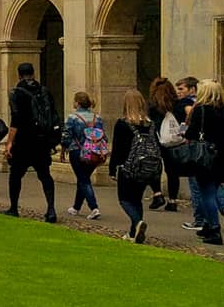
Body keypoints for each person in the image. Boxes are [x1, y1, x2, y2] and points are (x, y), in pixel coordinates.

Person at [181, 79, 224, 246]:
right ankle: (207, 225)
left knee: (207, 194)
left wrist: (185, 131)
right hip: (223, 158)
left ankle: (214, 228)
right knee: (212, 190)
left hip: (205, 158)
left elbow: (190, 134)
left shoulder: (201, 110)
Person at [2, 61, 58, 222]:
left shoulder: (16, 93)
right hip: (42, 140)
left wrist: (9, 143)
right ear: (33, 73)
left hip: (23, 140)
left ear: (19, 75)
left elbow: (16, 120)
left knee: (15, 175)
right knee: (45, 175)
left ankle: (13, 207)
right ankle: (51, 209)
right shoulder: (44, 91)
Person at [108, 89, 158, 244]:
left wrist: (112, 168)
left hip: (128, 166)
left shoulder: (123, 124)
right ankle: (133, 233)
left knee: (124, 199)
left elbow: (117, 149)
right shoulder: (150, 124)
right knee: (137, 199)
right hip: (146, 166)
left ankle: (137, 222)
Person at [61, 91, 102, 219]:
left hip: (77, 151)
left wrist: (63, 149)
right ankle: (76, 207)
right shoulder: (97, 117)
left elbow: (66, 136)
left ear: (77, 103)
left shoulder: (73, 118)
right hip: (94, 152)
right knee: (83, 178)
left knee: (83, 179)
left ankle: (94, 207)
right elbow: (102, 135)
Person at [146, 76, 182, 212]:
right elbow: (184, 122)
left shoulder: (152, 105)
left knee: (154, 168)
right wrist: (182, 134)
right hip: (174, 141)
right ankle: (172, 201)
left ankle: (157, 194)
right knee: (173, 171)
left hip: (156, 139)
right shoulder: (177, 104)